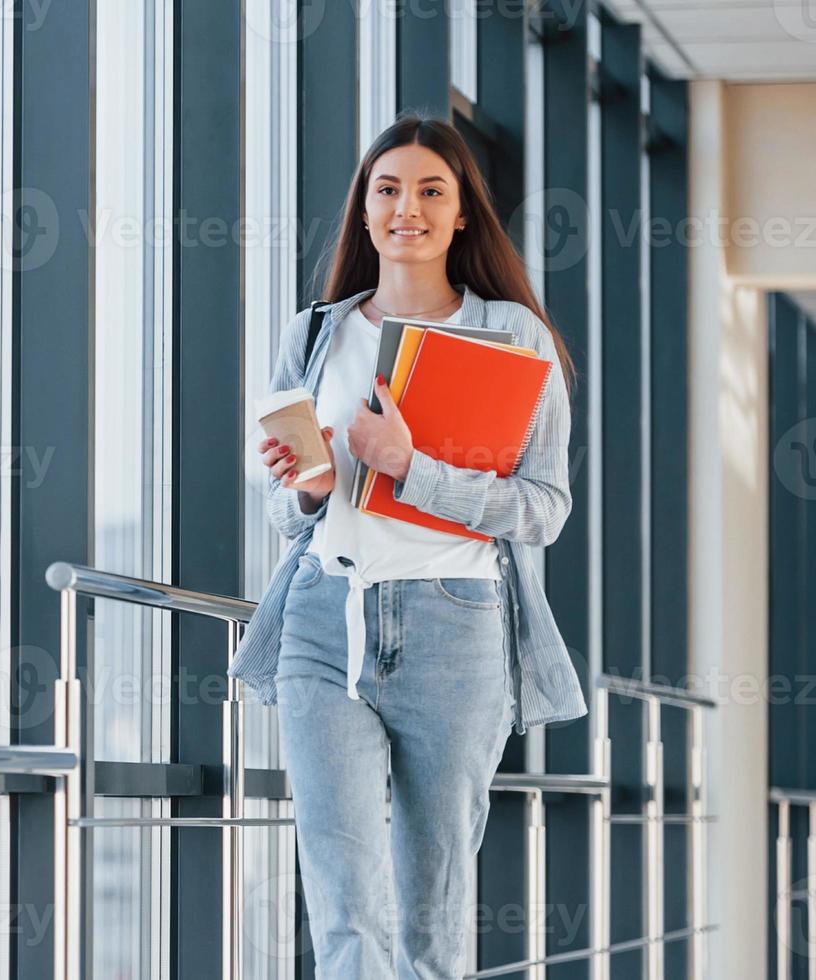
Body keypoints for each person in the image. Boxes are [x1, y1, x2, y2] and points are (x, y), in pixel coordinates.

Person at [233, 111, 585, 978]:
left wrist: (411, 468)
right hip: (323, 617)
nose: (407, 209)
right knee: (346, 901)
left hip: (456, 628)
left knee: (430, 915)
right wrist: (310, 491)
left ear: (463, 213)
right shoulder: (315, 334)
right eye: (387, 189)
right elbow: (286, 509)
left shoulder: (513, 335)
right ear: (363, 210)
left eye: (432, 191)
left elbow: (543, 511)